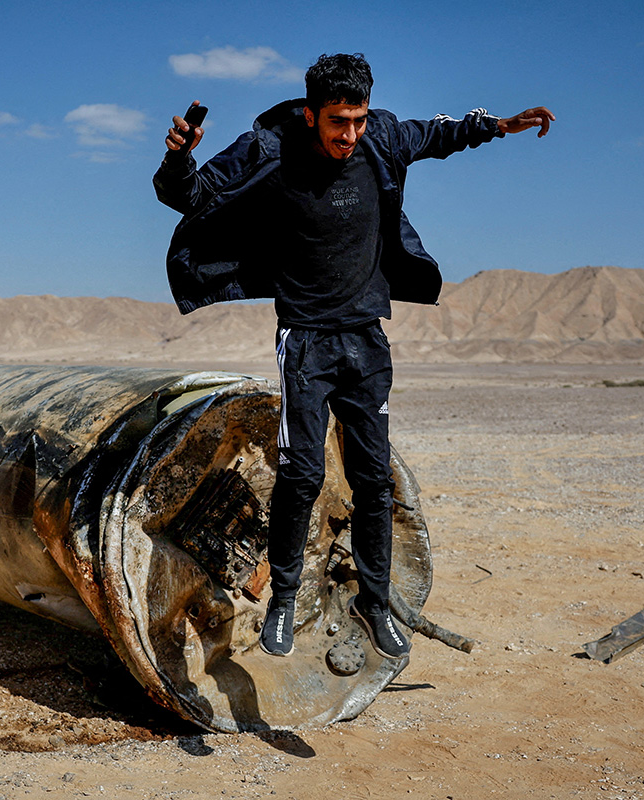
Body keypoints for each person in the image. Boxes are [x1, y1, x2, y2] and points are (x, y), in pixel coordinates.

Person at [154, 52, 554, 659]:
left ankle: (375, 598)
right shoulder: (269, 148)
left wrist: (499, 125)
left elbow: (438, 135)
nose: (350, 135)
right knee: (303, 472)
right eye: (339, 122)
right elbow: (191, 195)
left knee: (373, 477)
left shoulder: (381, 136)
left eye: (359, 120)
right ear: (312, 114)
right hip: (306, 340)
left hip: (366, 336)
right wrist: (179, 157)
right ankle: (284, 600)